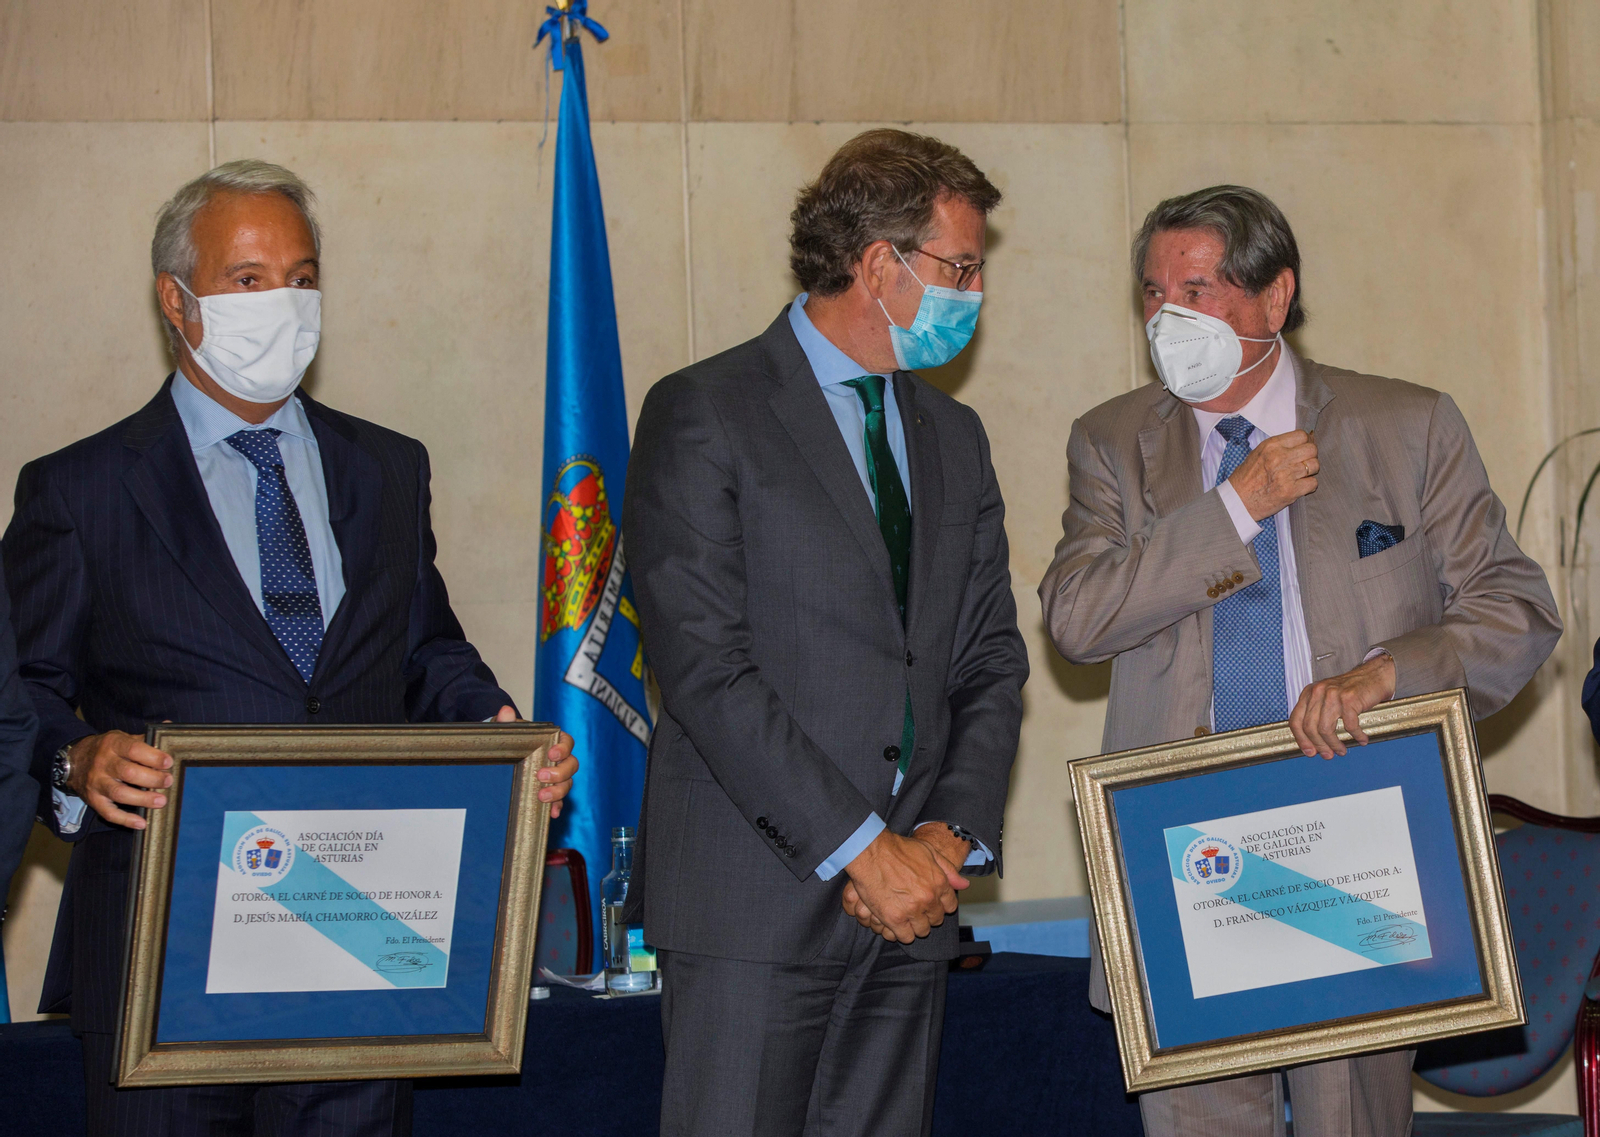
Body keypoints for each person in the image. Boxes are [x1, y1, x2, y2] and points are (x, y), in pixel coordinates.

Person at [1, 160, 577, 1136]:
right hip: (162, 964)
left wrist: (494, 725)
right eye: (250, 280)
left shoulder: (388, 467)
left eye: (303, 278)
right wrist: (75, 757)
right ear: (176, 302)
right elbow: (22, 694)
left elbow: (423, 647)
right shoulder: (80, 490)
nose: (287, 304)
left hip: (357, 946)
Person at [1039, 184, 1561, 1137]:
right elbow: (1076, 617)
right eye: (1153, 294)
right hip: (1185, 851)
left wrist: (1388, 673)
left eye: (1198, 290)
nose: (1170, 317)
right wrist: (1234, 507)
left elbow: (1516, 609)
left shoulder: (1408, 425)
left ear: (1274, 299)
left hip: (1357, 845)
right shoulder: (1113, 441)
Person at [623, 129, 1028, 1137]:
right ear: (881, 264)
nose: (974, 293)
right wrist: (861, 852)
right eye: (961, 267)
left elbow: (988, 660)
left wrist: (945, 839)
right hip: (752, 906)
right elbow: (704, 667)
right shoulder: (703, 411)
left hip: (914, 906)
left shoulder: (953, 435)